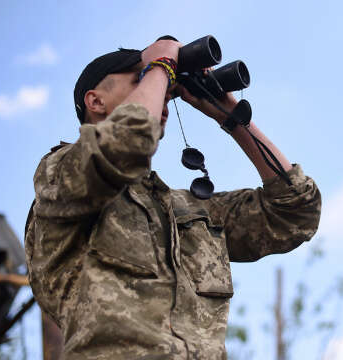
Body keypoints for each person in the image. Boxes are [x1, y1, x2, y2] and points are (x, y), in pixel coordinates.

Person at [24, 38, 321, 360]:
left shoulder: (188, 212)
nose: (163, 92)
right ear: (95, 101)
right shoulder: (60, 177)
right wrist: (160, 63)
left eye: (167, 88)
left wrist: (233, 118)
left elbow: (294, 211)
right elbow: (124, 144)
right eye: (142, 79)